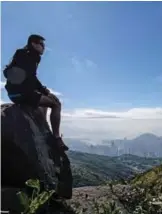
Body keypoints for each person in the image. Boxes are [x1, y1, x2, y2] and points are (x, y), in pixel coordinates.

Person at [3, 34, 68, 152]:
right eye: (41, 44)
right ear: (33, 44)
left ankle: (43, 125)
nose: (44, 47)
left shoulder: (22, 54)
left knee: (45, 99)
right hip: (23, 94)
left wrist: (41, 89)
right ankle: (56, 137)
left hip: (13, 94)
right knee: (55, 104)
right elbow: (30, 77)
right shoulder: (30, 56)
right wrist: (43, 90)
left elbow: (19, 74)